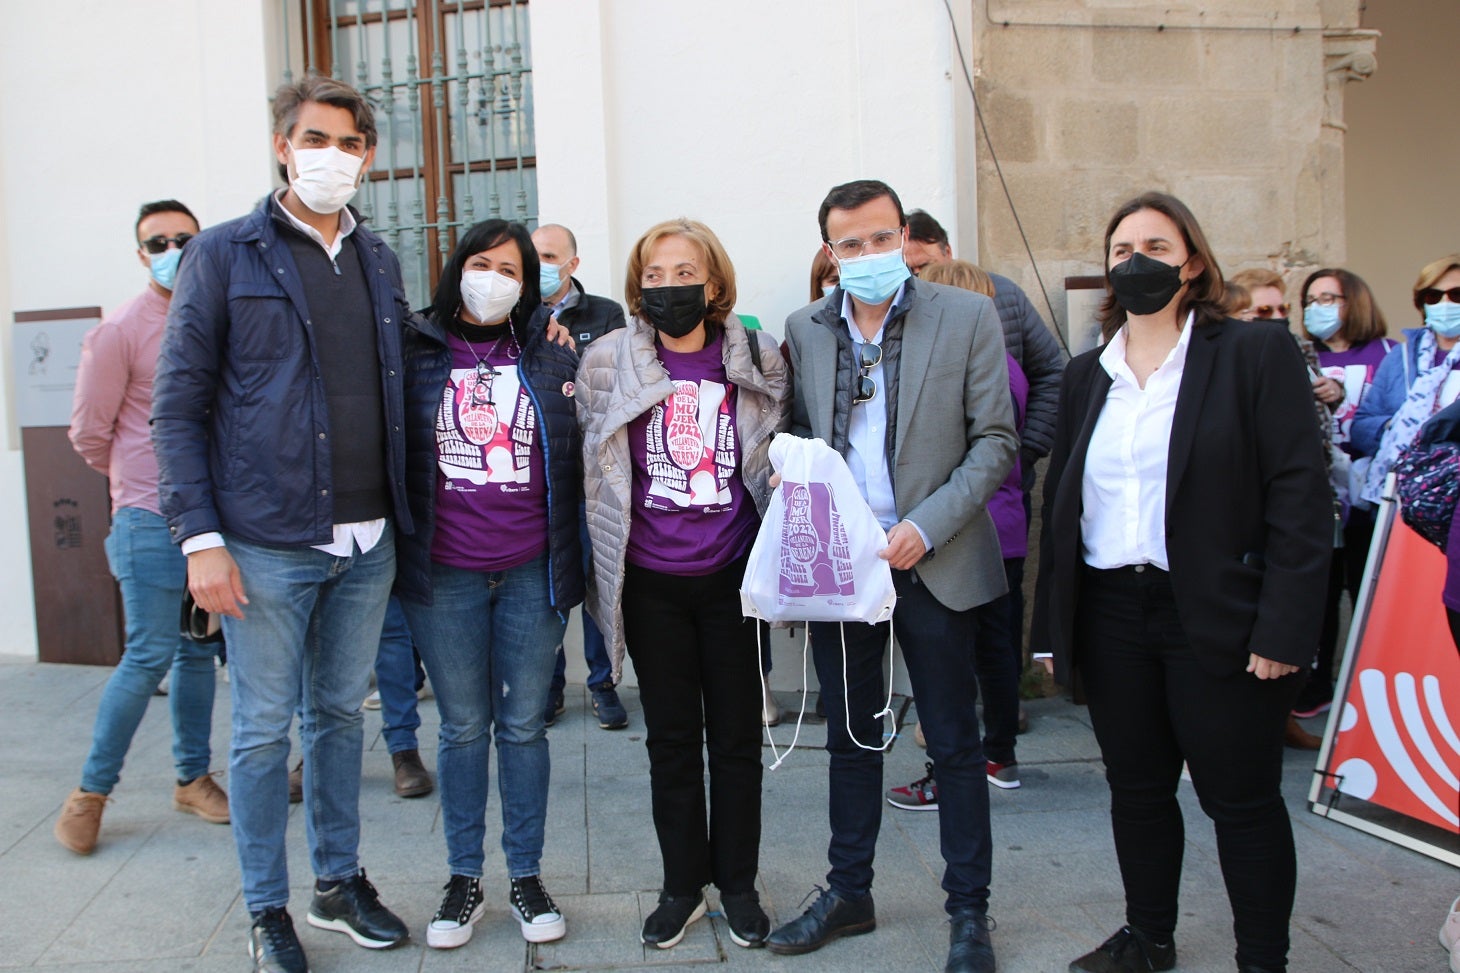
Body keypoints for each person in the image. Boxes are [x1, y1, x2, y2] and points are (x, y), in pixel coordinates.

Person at [152, 76, 414, 973]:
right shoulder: (223, 255)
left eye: (347, 142)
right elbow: (176, 407)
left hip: (367, 541)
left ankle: (336, 882)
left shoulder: (379, 259)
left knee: (340, 717)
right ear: (280, 144)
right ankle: (267, 907)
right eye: (313, 137)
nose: (329, 155)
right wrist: (200, 538)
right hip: (263, 543)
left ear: (368, 156)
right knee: (263, 730)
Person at [1033, 191, 1330, 973]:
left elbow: (1300, 497)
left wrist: (1285, 628)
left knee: (1241, 799)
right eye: (1123, 248)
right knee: (1136, 789)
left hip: (1220, 615)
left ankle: (1263, 958)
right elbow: (1064, 504)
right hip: (1111, 611)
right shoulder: (1087, 374)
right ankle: (1149, 936)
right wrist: (1051, 632)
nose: (1137, 261)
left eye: (1157, 247)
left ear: (1192, 262)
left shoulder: (1251, 354)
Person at [770, 180, 1017, 973]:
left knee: (952, 741)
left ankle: (969, 912)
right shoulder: (804, 329)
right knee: (850, 738)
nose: (869, 255)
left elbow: (996, 440)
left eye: (881, 238)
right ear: (829, 253)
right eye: (851, 244)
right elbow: (800, 431)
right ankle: (850, 892)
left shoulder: (967, 315)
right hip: (845, 567)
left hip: (934, 556)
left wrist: (924, 526)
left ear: (904, 235)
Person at [577, 218, 789, 951]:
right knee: (670, 740)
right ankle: (680, 885)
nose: (670, 285)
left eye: (684, 270)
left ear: (714, 280)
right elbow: (595, 454)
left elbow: (776, 450)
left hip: (732, 577)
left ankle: (737, 883)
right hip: (652, 583)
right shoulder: (609, 358)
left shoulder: (758, 356)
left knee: (735, 739)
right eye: (656, 274)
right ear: (640, 286)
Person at [395, 218, 583, 949]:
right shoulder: (413, 347)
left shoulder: (548, 347)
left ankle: (527, 874)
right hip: (444, 574)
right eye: (482, 262)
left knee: (525, 725)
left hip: (533, 569)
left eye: (512, 267)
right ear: (456, 268)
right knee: (465, 725)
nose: (495, 277)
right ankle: (464, 875)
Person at [55, 199, 229, 856]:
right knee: (149, 653)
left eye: (184, 237)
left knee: (195, 653)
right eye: (158, 241)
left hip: (212, 523)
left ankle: (192, 778)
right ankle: (91, 793)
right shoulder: (121, 331)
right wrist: (138, 481)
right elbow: (88, 433)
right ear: (141, 254)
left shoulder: (216, 318)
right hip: (150, 518)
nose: (173, 248)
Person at [885, 258, 1026, 811]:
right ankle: (994, 754)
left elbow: (993, 442)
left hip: (975, 532)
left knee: (977, 662)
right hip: (983, 524)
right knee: (990, 654)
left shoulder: (988, 362)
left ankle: (975, 759)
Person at [531, 221, 630, 731]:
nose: (540, 266)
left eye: (550, 256)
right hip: (539, 475)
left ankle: (603, 683)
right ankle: (548, 687)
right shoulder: (516, 312)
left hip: (591, 472)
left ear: (572, 263)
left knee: (596, 580)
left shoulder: (605, 313)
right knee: (546, 585)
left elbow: (611, 383)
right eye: (534, 256)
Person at [1288, 267, 1395, 721]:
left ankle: (1380, 685)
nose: (1318, 308)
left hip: (1372, 498)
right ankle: (1316, 685)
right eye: (1311, 299)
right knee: (1322, 594)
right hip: (1321, 496)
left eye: (1330, 298)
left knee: (1371, 592)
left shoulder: (1389, 355)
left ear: (1355, 302)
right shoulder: (1299, 354)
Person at [1353, 254, 1460, 508]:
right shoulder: (1399, 358)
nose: (1445, 303)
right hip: (1402, 495)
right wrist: (1399, 425)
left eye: (1456, 295)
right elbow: (1362, 426)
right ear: (1422, 304)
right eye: (1434, 296)